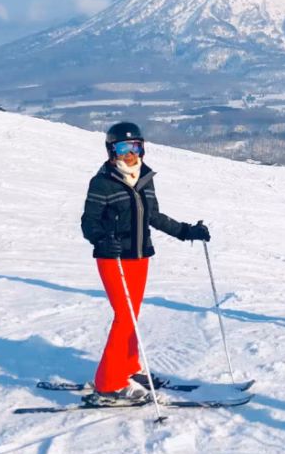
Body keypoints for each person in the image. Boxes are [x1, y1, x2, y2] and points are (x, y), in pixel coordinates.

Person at [79, 122, 211, 405]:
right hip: (113, 258)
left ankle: (128, 368)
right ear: (111, 150)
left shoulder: (145, 178)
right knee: (124, 318)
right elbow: (88, 222)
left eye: (135, 147)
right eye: (123, 148)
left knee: (132, 318)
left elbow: (155, 217)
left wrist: (187, 231)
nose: (130, 154)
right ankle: (107, 384)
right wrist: (101, 240)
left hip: (140, 258)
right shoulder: (101, 182)